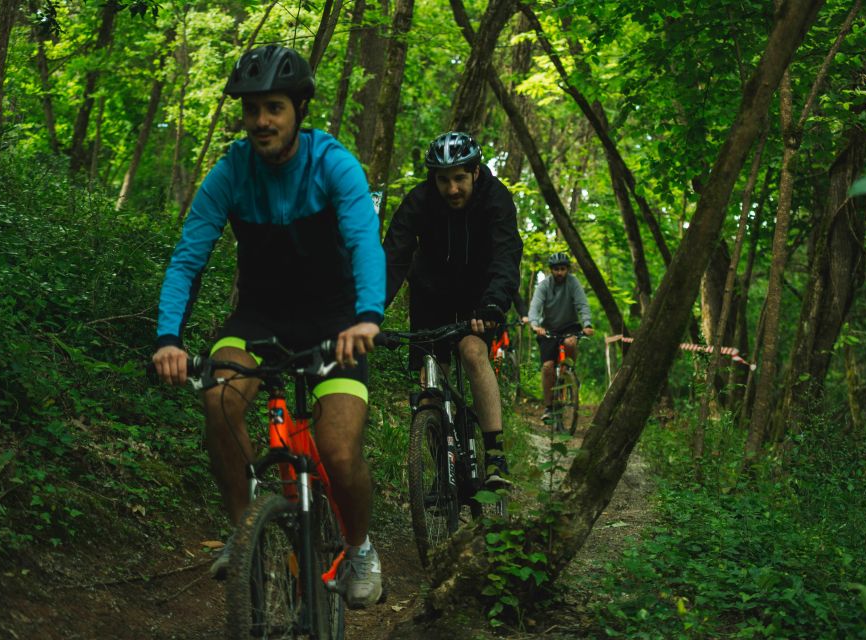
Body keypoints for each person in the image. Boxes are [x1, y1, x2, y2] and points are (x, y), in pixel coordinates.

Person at [151, 45, 384, 609]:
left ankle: (360, 548)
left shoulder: (333, 164)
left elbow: (364, 245)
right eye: (252, 109)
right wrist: (168, 339)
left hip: (335, 323)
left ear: (298, 109)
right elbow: (188, 258)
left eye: (273, 107)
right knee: (220, 400)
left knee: (339, 449)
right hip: (258, 319)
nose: (261, 121)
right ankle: (245, 531)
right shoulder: (230, 172)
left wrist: (367, 318)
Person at [383, 131, 523, 484]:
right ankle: (442, 469)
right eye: (443, 180)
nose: (452, 189)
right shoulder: (420, 200)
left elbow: (506, 256)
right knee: (430, 382)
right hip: (431, 293)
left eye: (460, 178)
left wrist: (493, 304)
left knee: (474, 352)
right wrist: (369, 310)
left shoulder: (496, 200)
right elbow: (392, 257)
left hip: (480, 294)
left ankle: (494, 456)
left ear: (475, 172)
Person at [528, 252, 594, 424]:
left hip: (569, 325)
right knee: (548, 366)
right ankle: (549, 407)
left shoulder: (573, 283)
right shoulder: (544, 285)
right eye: (556, 269)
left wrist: (587, 324)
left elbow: (582, 304)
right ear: (551, 270)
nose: (559, 273)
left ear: (567, 270)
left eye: (563, 269)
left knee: (570, 342)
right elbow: (535, 307)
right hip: (548, 328)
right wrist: (535, 325)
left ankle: (569, 373)